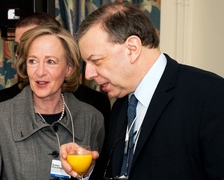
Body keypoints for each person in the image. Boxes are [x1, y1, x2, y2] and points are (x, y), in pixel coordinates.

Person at [60, 2, 224, 179]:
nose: (89, 74)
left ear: (132, 48)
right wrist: (87, 170)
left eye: (96, 61)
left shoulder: (210, 95)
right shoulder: (120, 106)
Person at [0, 24, 105, 179]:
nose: (40, 72)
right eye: (33, 61)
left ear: (69, 68)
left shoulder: (91, 119)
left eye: (51, 61)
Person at [0, 13, 111, 128]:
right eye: (18, 45)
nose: (21, 52)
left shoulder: (93, 108)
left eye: (50, 61)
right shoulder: (2, 105)